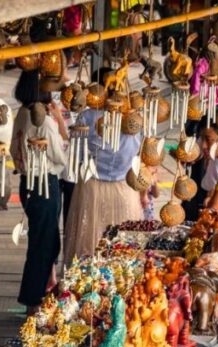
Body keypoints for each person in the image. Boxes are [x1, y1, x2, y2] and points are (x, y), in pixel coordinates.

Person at [10, 70, 68, 314]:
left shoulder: (22, 113)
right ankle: (33, 299)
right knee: (43, 244)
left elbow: (13, 149)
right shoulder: (43, 120)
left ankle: (40, 291)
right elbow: (59, 156)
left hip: (27, 183)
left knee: (43, 240)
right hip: (45, 183)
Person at [63, 98, 144, 262]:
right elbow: (139, 153)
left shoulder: (86, 116)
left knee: (90, 244)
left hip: (92, 187)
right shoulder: (136, 119)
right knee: (124, 247)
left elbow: (77, 154)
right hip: (124, 187)